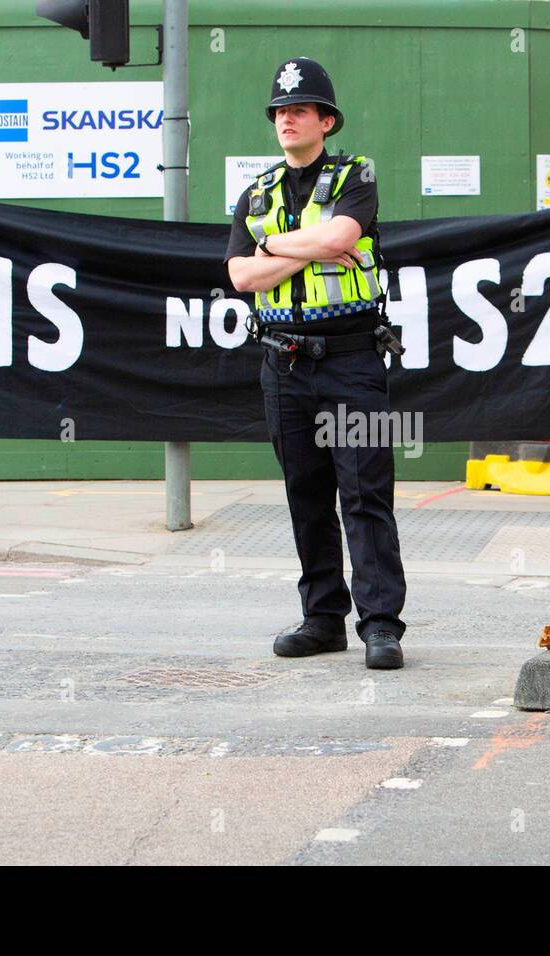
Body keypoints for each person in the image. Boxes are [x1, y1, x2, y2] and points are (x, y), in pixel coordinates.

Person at [225, 58, 407, 670]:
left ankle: (380, 625)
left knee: (365, 493)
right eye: (279, 111)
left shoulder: (358, 173)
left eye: (299, 109)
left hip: (353, 360)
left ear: (326, 120)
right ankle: (323, 619)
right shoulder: (256, 192)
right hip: (283, 364)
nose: (286, 119)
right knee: (306, 493)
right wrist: (305, 250)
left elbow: (339, 236)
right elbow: (240, 275)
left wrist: (272, 245)